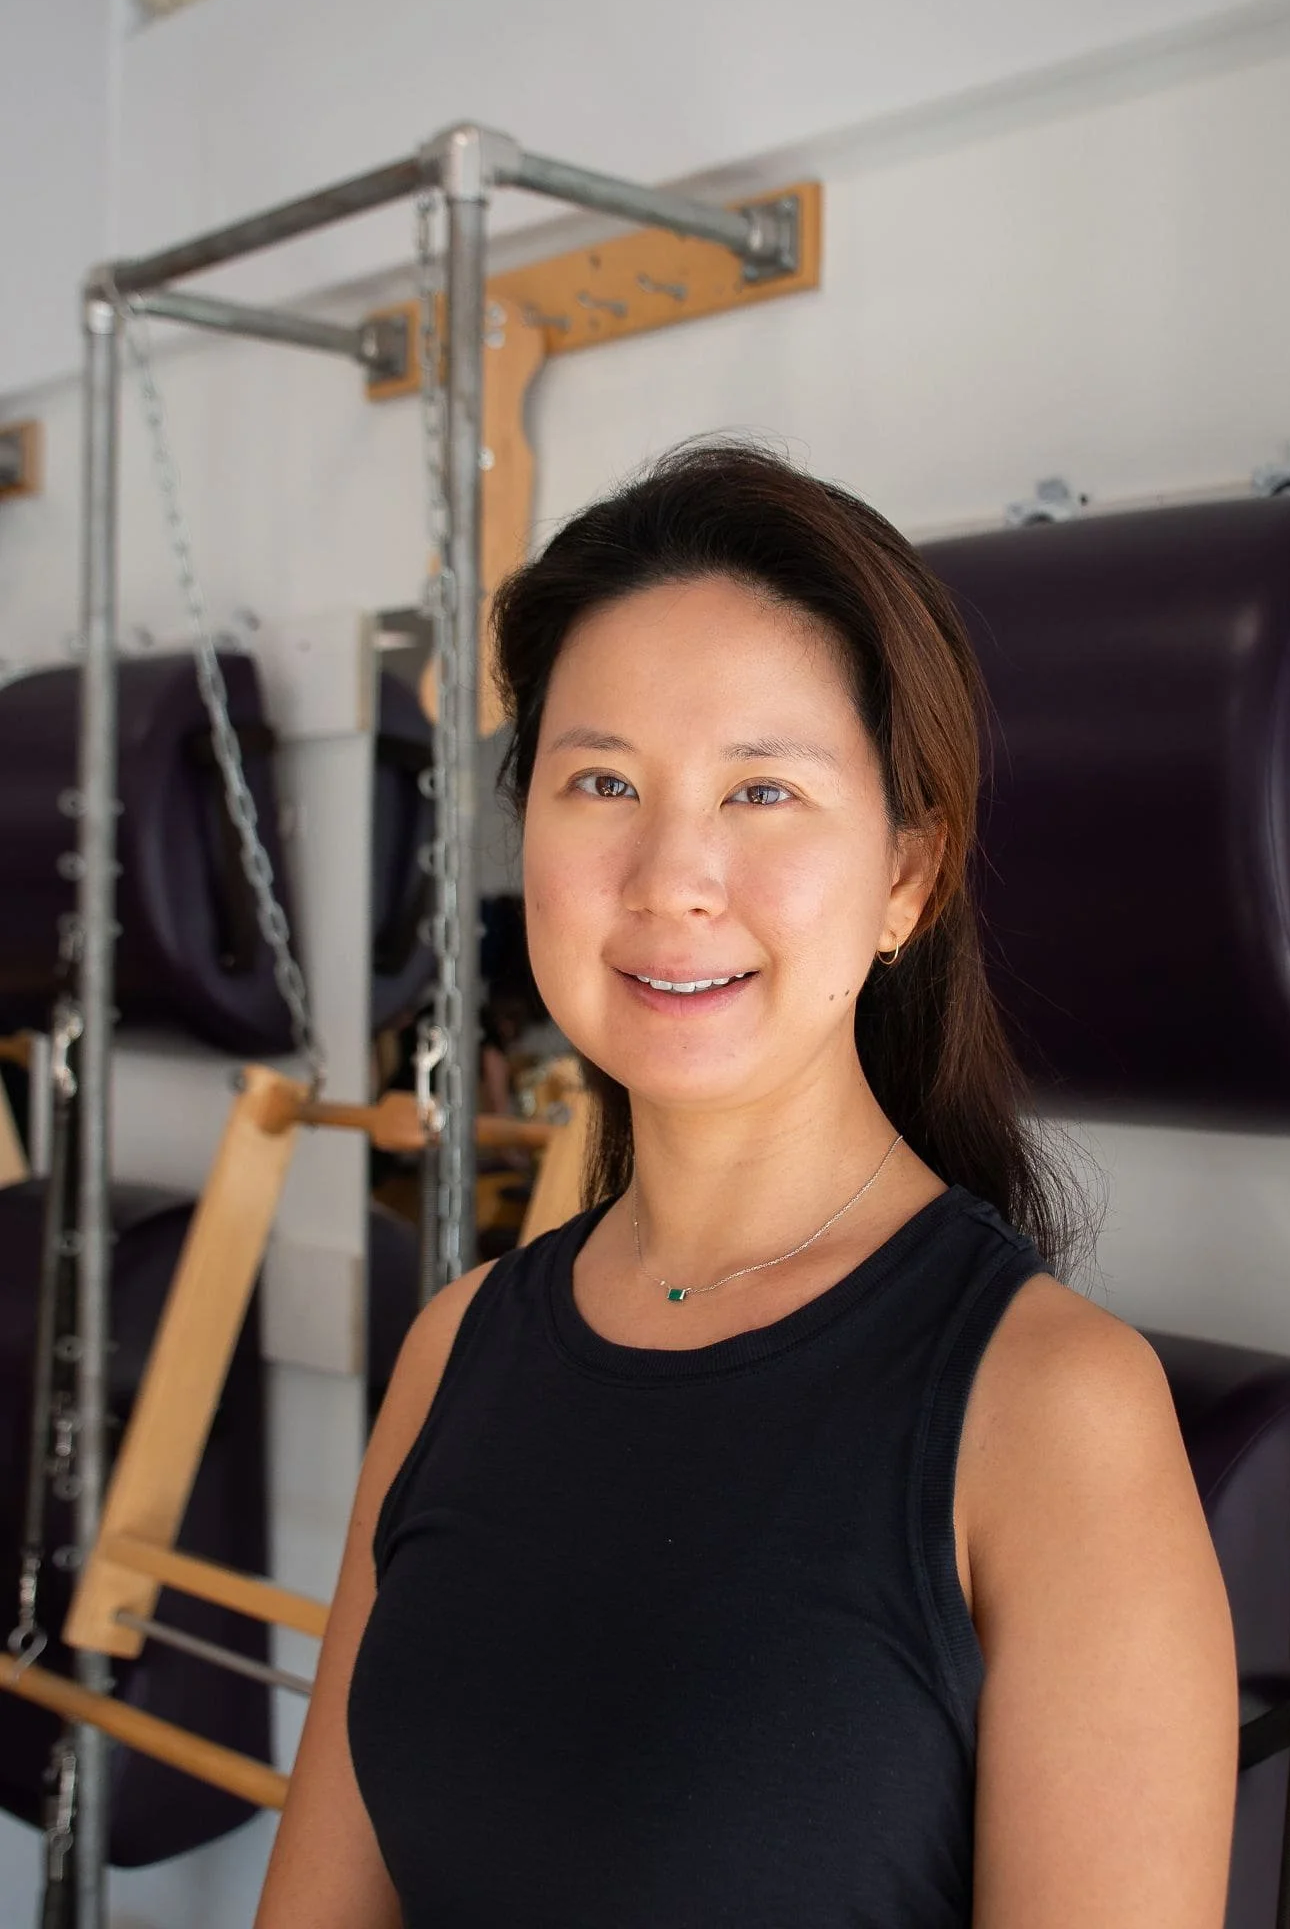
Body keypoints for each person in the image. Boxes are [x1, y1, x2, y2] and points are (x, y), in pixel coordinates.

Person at [256, 443, 1238, 1928]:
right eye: (602, 781)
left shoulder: (1054, 1416)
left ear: (910, 870)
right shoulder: (455, 1351)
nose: (671, 876)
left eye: (764, 789)